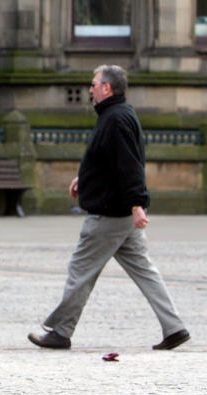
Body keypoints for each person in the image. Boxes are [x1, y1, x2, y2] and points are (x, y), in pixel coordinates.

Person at [28, 65, 190, 351]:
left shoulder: (115, 119)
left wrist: (137, 203)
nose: (89, 89)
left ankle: (60, 331)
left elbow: (130, 166)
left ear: (107, 88)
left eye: (94, 84)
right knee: (145, 271)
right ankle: (174, 327)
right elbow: (110, 161)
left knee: (81, 270)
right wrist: (86, 179)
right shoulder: (118, 116)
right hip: (121, 213)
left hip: (111, 214)